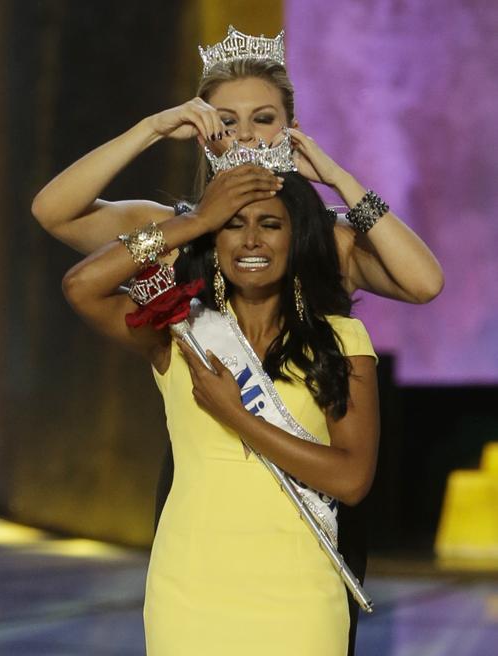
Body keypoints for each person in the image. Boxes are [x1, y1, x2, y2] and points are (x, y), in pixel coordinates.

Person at [31, 27, 443, 655]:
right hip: (203, 492)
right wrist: (152, 132)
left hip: (305, 488)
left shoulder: (327, 238)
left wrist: (335, 174)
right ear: (201, 129)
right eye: (226, 121)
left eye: (264, 118)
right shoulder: (171, 227)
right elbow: (54, 214)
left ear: (291, 126)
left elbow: (423, 281)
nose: (246, 136)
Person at [61, 163, 380, 654]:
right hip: (189, 593)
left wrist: (237, 416)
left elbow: (352, 478)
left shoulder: (340, 339)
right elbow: (82, 285)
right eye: (233, 224)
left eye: (270, 225)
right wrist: (192, 222)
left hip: (299, 599)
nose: (250, 240)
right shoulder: (180, 333)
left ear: (297, 239)